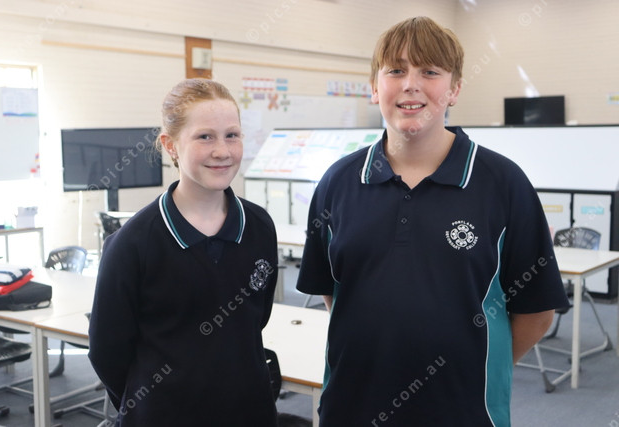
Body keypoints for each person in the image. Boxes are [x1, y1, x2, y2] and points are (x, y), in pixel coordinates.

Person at [296, 16, 568, 427]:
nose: (411, 84)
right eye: (395, 70)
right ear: (374, 87)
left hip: (465, 411)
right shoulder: (338, 182)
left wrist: (475, 362)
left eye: (429, 71)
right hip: (352, 407)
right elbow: (336, 293)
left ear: (454, 88)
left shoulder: (503, 183)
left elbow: (536, 311)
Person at [88, 78, 279, 426]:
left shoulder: (260, 226)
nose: (222, 150)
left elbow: (256, 319)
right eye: (205, 136)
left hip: (249, 411)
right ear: (170, 145)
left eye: (232, 135)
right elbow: (107, 352)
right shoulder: (133, 244)